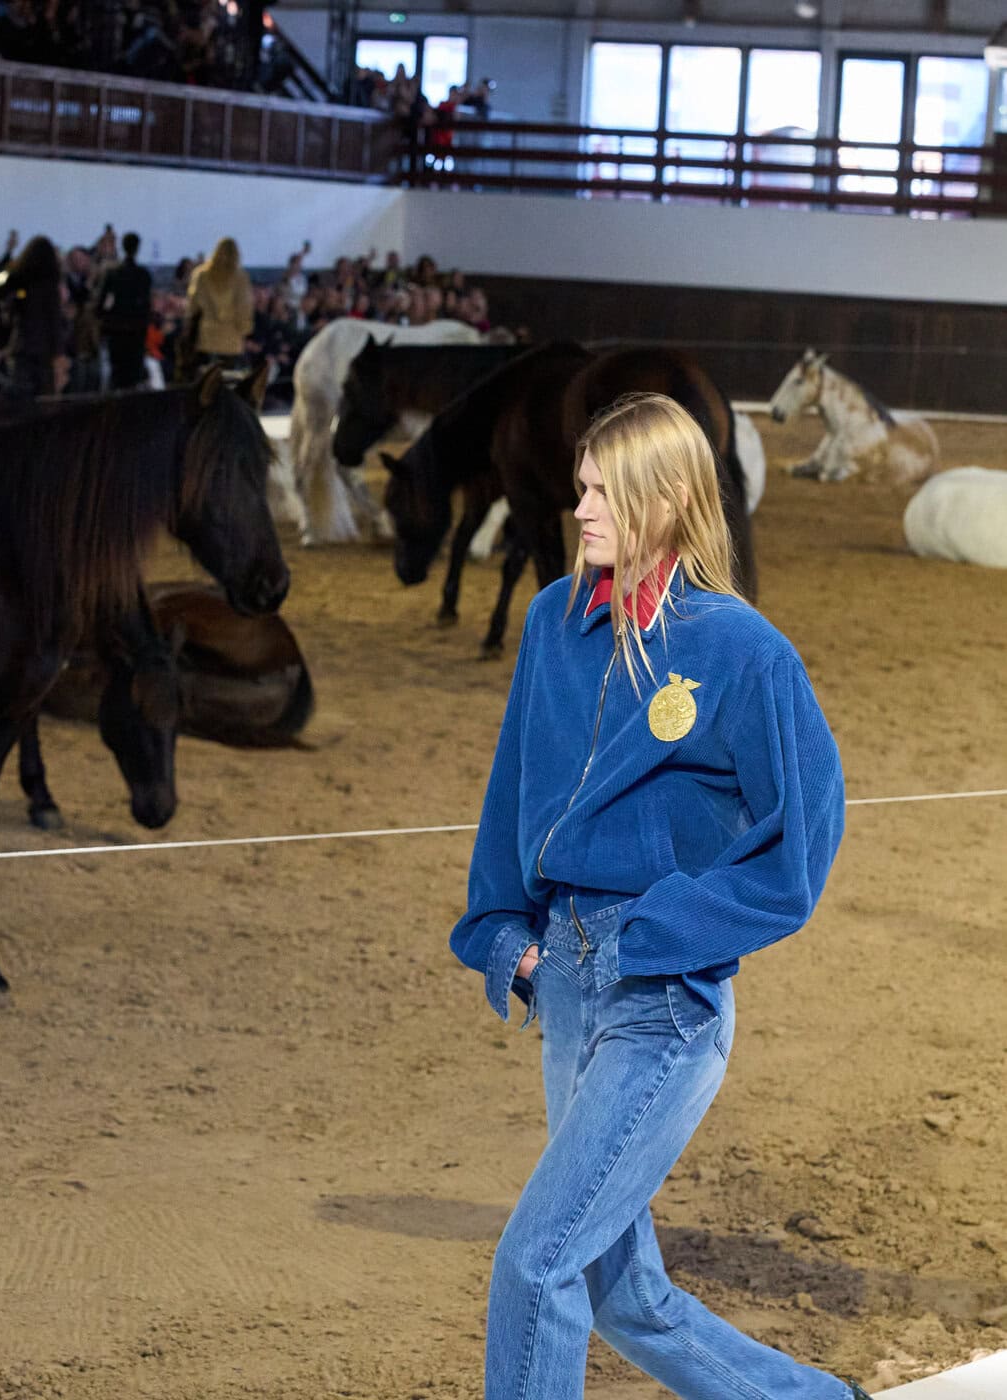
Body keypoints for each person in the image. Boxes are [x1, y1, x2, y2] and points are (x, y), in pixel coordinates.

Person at [451, 393, 869, 1400]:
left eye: (604, 489)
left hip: (662, 1002)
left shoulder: (741, 650)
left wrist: (660, 927)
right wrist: (503, 929)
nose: (579, 504)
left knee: (536, 1260)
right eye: (582, 483)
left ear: (669, 498)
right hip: (560, 980)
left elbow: (798, 843)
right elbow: (514, 786)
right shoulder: (553, 620)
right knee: (620, 1291)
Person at [0, 234, 61, 398]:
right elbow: (54, 318)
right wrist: (58, 350)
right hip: (44, 348)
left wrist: (9, 268)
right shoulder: (49, 285)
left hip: (22, 344)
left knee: (21, 394)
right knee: (44, 396)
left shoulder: (18, 280)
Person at [183, 236, 252, 375]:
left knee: (205, 382)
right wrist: (245, 330)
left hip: (206, 338)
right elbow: (244, 309)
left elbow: (192, 306)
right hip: (232, 341)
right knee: (228, 381)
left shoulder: (201, 275)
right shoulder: (240, 277)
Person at [97, 230, 152, 393]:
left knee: (117, 373)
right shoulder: (143, 275)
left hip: (116, 330)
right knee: (134, 374)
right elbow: (146, 304)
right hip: (136, 331)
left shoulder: (114, 273)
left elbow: (101, 302)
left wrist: (105, 317)